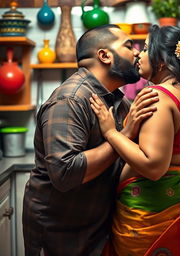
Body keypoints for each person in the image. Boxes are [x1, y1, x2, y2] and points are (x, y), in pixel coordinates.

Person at [22, 24, 159, 256]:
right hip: (60, 230)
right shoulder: (71, 100)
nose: (137, 52)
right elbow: (65, 173)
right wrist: (122, 136)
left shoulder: (119, 101)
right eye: (129, 46)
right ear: (104, 55)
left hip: (97, 224)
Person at [90, 24, 180, 256]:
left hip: (151, 211)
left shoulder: (159, 97)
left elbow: (153, 168)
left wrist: (111, 132)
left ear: (161, 61)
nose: (139, 54)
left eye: (146, 49)